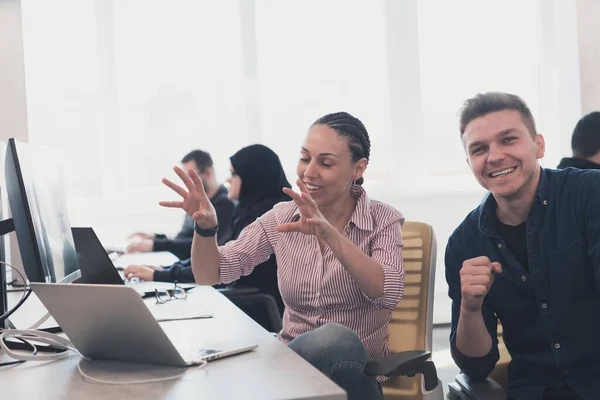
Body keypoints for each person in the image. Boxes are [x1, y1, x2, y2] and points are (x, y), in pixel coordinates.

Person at [159, 112, 404, 400]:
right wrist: (206, 228)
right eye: (304, 158)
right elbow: (212, 273)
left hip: (352, 371)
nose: (308, 172)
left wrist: (329, 235)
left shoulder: (383, 220)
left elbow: (387, 291)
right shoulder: (282, 216)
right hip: (290, 369)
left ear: (357, 168)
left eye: (325, 163)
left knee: (337, 339)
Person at [446, 92, 600, 400]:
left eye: (508, 140)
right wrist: (470, 307)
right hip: (536, 390)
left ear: (538, 145)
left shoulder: (589, 195)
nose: (494, 156)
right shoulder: (465, 242)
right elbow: (476, 366)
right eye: (479, 149)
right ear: (469, 163)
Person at [124, 144, 291, 331]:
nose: (228, 179)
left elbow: (219, 265)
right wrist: (167, 269)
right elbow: (219, 255)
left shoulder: (269, 215)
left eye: (234, 174)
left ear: (254, 176)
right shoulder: (245, 211)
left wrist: (159, 274)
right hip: (232, 295)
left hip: (250, 307)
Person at [126, 149, 235, 259]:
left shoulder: (226, 204)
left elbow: (204, 246)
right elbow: (184, 238)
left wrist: (155, 245)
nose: (186, 183)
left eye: (190, 176)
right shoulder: (196, 198)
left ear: (207, 173)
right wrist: (156, 237)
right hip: (181, 263)